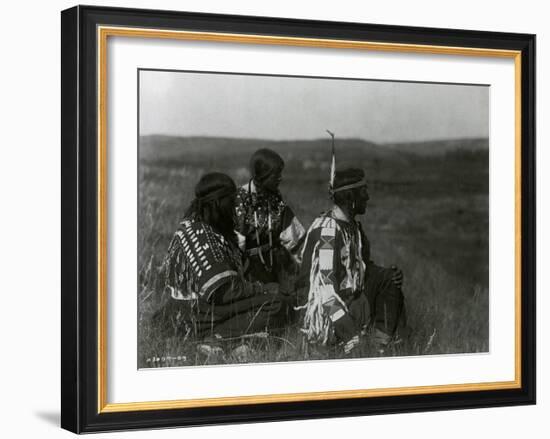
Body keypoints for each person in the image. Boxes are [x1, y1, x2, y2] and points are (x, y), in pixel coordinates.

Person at [158, 172, 289, 340]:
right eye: (231, 201)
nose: (234, 207)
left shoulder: (206, 227)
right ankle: (216, 338)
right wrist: (263, 290)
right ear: (218, 202)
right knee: (275, 304)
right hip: (193, 313)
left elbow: (243, 269)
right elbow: (224, 292)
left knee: (275, 298)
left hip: (197, 308)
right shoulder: (201, 235)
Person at [297, 168, 407, 353]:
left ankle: (381, 345)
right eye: (364, 191)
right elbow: (324, 293)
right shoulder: (328, 233)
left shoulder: (351, 226)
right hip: (327, 315)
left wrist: (388, 275)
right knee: (352, 341)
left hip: (350, 299)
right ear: (351, 198)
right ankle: (356, 345)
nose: (368, 197)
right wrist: (350, 335)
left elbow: (359, 267)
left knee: (389, 279)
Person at [235, 148, 306, 287]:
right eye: (276, 175)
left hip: (274, 268)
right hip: (246, 271)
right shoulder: (238, 200)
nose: (280, 178)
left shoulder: (275, 200)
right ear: (263, 175)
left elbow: (295, 237)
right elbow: (233, 243)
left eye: (280, 173)